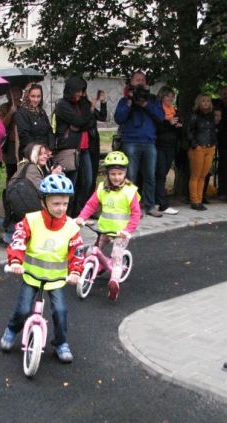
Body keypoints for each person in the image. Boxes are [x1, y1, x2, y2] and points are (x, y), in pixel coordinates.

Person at [0, 174, 83, 363]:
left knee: (60, 311)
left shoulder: (71, 227)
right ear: (44, 202)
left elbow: (77, 252)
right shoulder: (31, 220)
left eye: (64, 203)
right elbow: (19, 239)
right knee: (22, 309)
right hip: (31, 275)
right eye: (56, 204)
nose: (61, 208)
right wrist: (15, 261)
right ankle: (12, 330)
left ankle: (61, 342)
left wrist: (76, 272)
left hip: (56, 279)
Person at [75, 151, 142, 301]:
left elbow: (136, 214)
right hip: (104, 229)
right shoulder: (102, 188)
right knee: (92, 250)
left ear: (125, 173)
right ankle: (96, 267)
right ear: (107, 174)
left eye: (119, 173)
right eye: (113, 174)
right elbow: (91, 205)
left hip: (121, 233)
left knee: (117, 256)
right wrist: (81, 217)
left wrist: (127, 230)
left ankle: (114, 282)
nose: (116, 177)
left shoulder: (130, 191)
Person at [114, 70, 165, 218]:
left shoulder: (153, 99)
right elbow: (119, 118)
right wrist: (130, 103)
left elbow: (161, 117)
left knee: (150, 176)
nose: (140, 82)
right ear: (131, 82)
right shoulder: (125, 101)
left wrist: (146, 104)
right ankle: (132, 208)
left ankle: (150, 206)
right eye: (137, 79)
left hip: (149, 142)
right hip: (130, 142)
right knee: (131, 177)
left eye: (142, 79)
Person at [53, 75, 94, 216]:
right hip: (70, 149)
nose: (80, 94)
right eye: (78, 91)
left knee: (87, 181)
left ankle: (79, 212)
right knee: (71, 184)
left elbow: (88, 122)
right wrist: (82, 122)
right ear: (71, 90)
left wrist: (81, 124)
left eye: (82, 91)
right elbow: (81, 120)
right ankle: (67, 215)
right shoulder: (63, 105)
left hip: (85, 148)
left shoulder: (82, 103)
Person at [186, 94, 217, 211]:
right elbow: (189, 131)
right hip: (198, 148)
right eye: (203, 101)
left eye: (208, 101)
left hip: (210, 147)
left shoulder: (211, 116)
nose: (206, 103)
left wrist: (214, 144)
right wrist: (195, 145)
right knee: (195, 176)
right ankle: (195, 200)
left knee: (203, 176)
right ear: (199, 102)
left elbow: (213, 131)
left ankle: (200, 199)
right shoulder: (194, 116)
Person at [154, 86, 181, 215]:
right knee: (160, 174)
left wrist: (177, 125)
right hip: (160, 145)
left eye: (172, 96)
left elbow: (175, 127)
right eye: (168, 96)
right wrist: (168, 123)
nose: (170, 98)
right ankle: (162, 203)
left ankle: (158, 200)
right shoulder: (158, 110)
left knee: (163, 173)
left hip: (171, 145)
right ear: (162, 96)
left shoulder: (173, 110)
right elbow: (157, 127)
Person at [15, 83, 54, 159]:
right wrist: (39, 151)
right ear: (27, 96)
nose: (36, 100)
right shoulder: (21, 113)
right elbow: (24, 136)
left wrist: (50, 148)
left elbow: (49, 131)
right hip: (30, 155)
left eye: (38, 96)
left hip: (45, 154)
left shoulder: (41, 112)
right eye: (33, 96)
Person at [213, 86, 227, 201]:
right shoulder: (218, 106)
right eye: (224, 94)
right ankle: (222, 191)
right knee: (224, 167)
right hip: (224, 139)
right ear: (221, 95)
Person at [0, 85, 23, 179]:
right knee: (11, 173)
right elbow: (1, 126)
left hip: (22, 142)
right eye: (12, 92)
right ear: (8, 94)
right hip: (10, 145)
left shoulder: (24, 106)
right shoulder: (4, 107)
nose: (15, 94)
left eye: (17, 91)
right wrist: (10, 113)